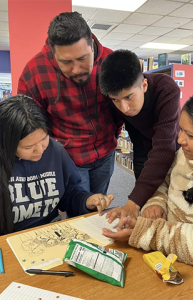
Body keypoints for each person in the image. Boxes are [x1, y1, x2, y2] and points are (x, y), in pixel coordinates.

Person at [103, 89, 193, 271]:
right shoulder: (182, 155)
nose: (180, 139)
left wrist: (147, 232)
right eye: (181, 129)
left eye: (190, 135)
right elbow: (164, 183)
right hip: (167, 256)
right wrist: (156, 202)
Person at [17, 12, 122, 195]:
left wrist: (114, 135)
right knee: (77, 211)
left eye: (82, 59)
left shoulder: (111, 62)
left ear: (92, 45)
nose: (76, 69)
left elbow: (122, 109)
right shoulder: (34, 72)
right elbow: (29, 123)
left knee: (98, 206)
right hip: (69, 158)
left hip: (106, 152)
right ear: (53, 52)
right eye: (65, 62)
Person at [0, 95, 114, 239]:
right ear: (6, 144)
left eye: (44, 139)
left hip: (50, 233)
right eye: (28, 147)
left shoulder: (54, 150)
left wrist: (87, 200)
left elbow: (69, 193)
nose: (40, 150)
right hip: (6, 239)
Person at [99, 50, 180, 226]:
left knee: (173, 203)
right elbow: (137, 140)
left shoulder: (166, 89)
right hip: (142, 147)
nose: (124, 108)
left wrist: (133, 202)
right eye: (115, 100)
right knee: (148, 203)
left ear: (143, 85)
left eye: (129, 97)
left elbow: (165, 148)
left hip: (176, 149)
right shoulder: (119, 102)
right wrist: (138, 200)